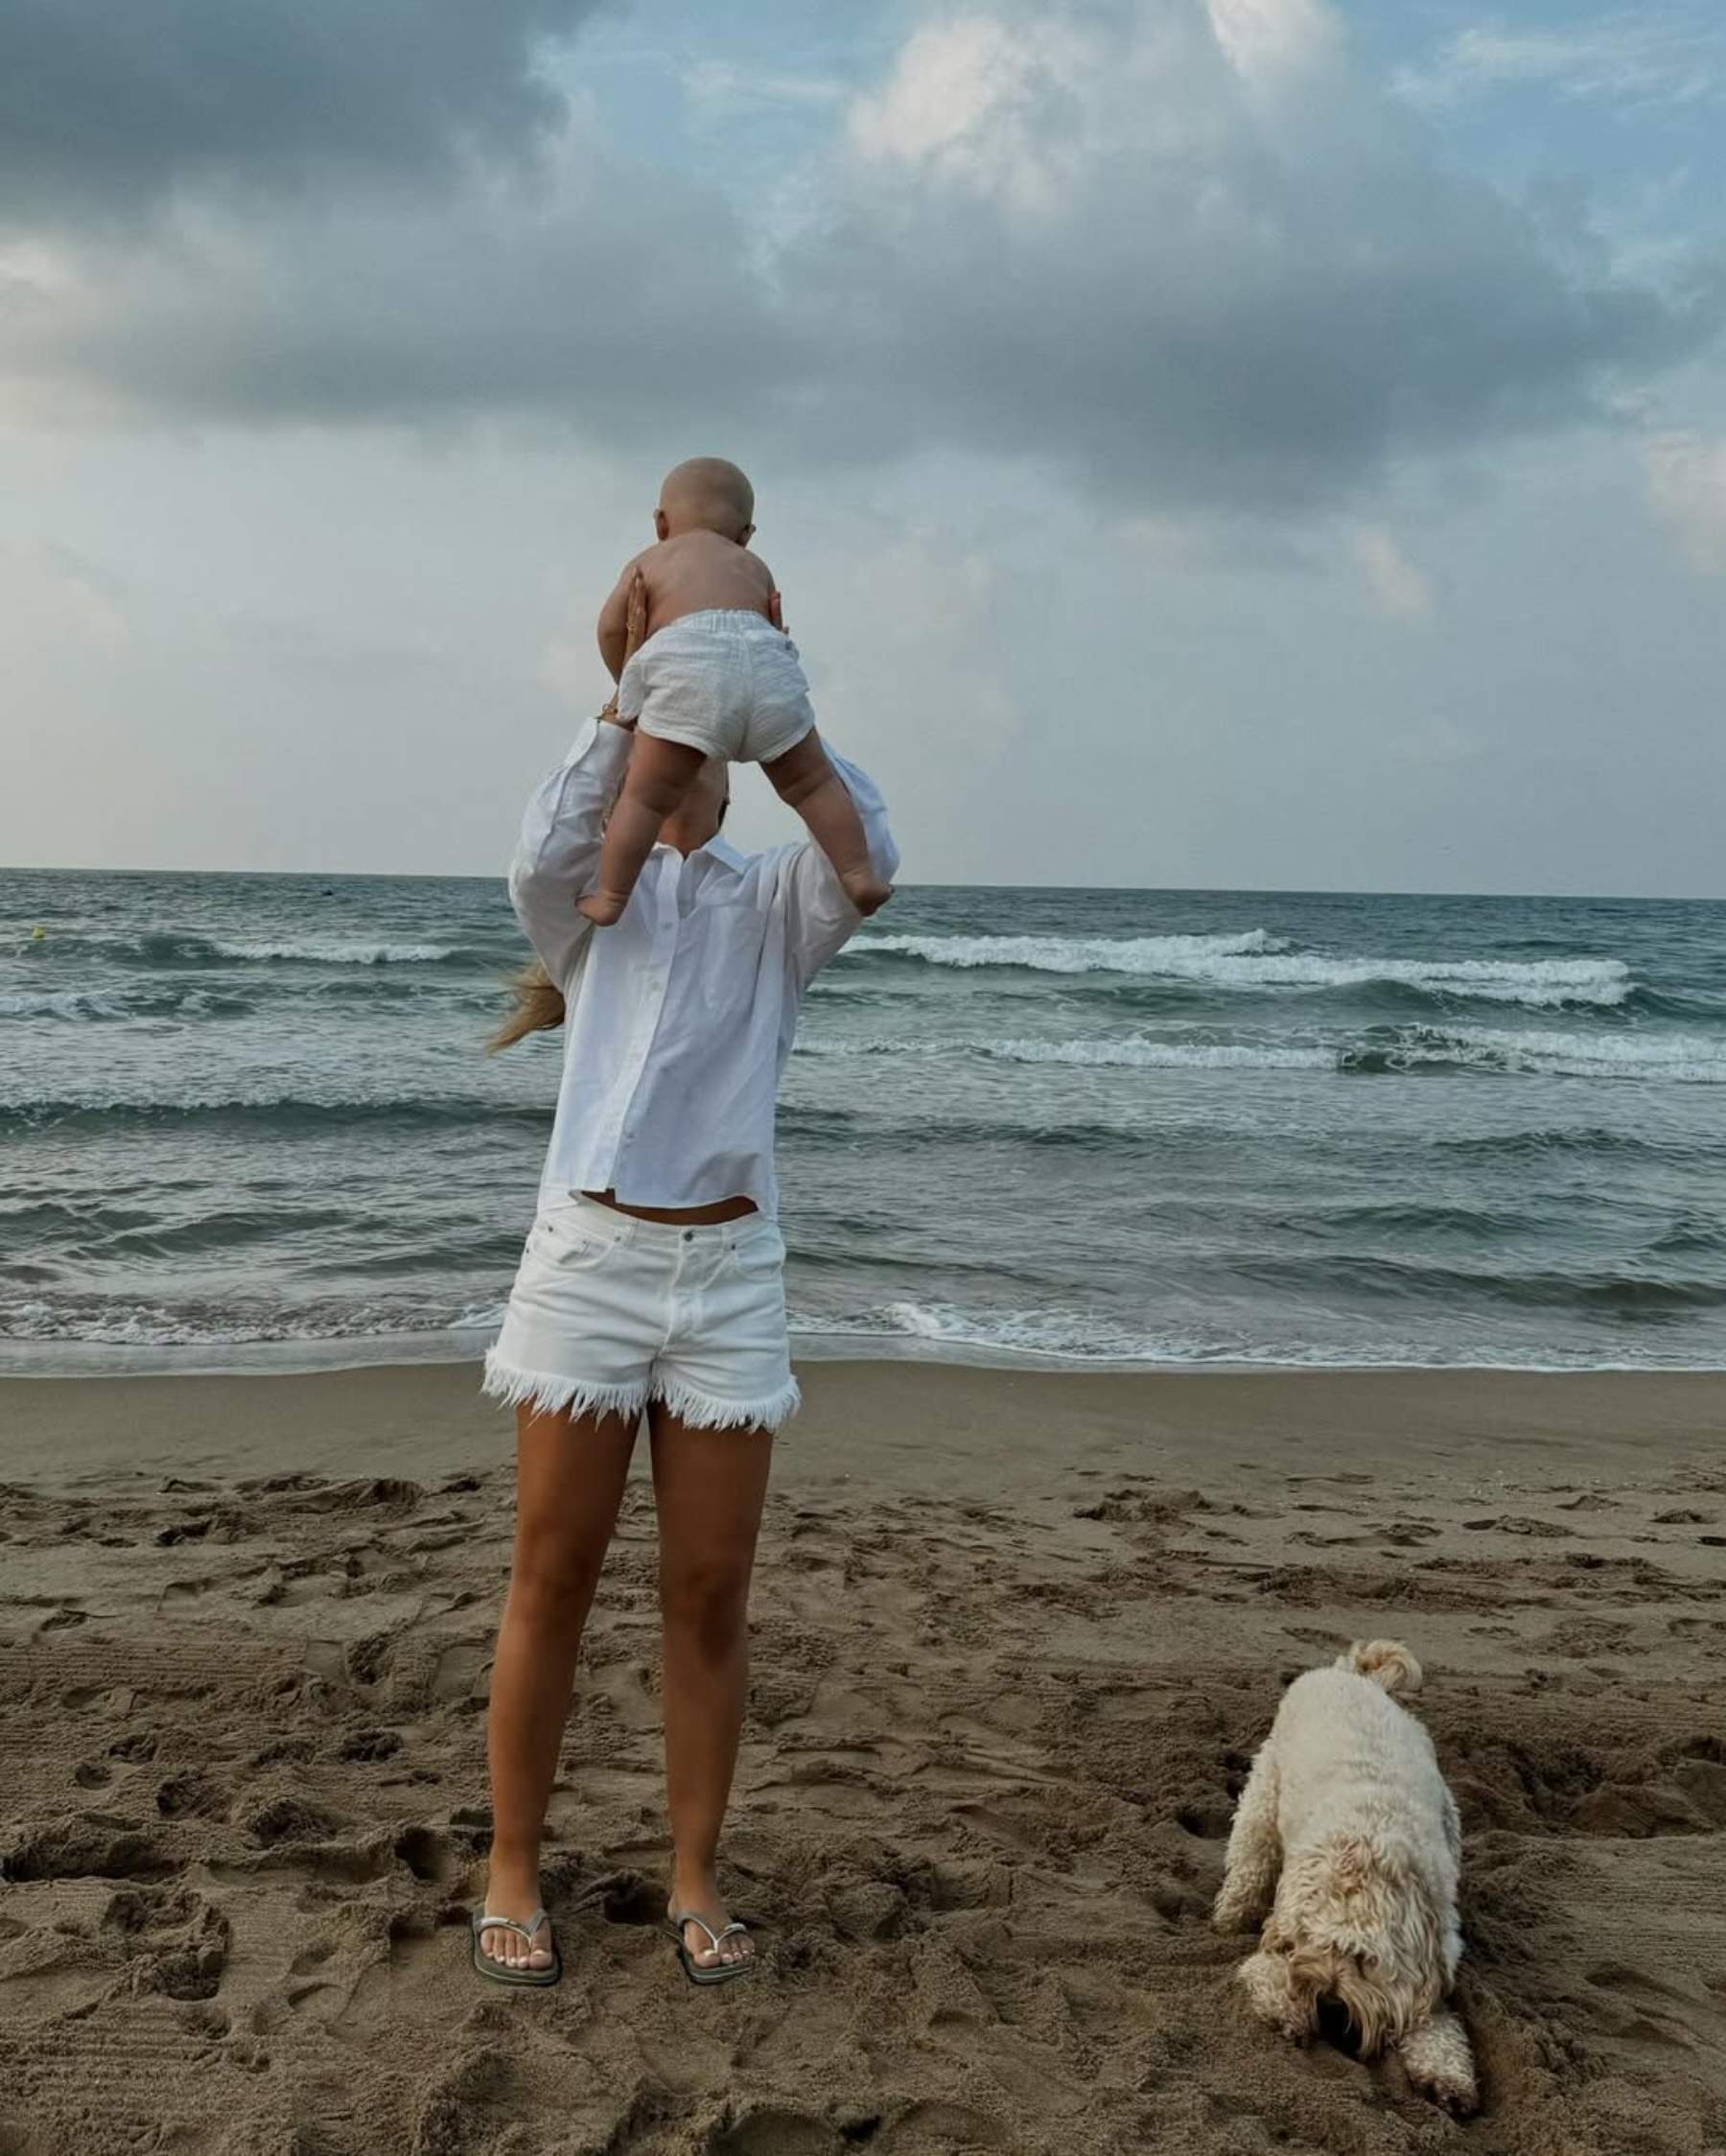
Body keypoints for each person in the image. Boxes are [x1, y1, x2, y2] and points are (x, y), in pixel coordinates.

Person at [472, 572, 898, 1989]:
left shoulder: (774, 905)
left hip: (728, 1276)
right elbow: (543, 843)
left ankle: (697, 1877)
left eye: (703, 752)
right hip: (588, 1264)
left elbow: (867, 856)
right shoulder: (586, 912)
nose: (684, 766)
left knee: (711, 1592)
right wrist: (631, 687)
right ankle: (513, 1865)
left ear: (730, 786)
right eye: (673, 746)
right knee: (555, 1573)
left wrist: (770, 696)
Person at [576, 457, 893, 927]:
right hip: (766, 659)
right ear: (746, 533)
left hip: (689, 663)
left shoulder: (650, 560)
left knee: (645, 798)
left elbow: (609, 630)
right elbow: (767, 627)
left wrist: (631, 687)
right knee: (813, 784)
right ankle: (858, 872)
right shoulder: (756, 567)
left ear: (661, 523)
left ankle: (611, 895)